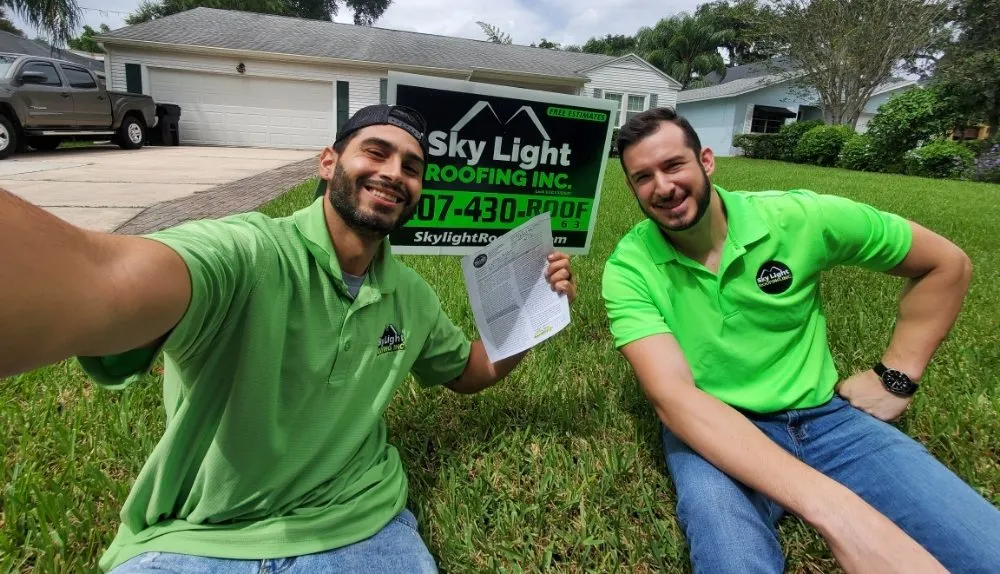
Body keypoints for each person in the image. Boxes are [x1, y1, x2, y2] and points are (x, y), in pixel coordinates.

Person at [0, 103, 577, 573]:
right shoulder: (248, 252)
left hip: (363, 529)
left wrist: (532, 311)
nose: (394, 173)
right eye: (375, 152)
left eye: (412, 166)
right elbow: (100, 278)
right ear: (328, 162)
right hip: (201, 541)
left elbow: (470, 373)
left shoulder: (412, 296)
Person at [601, 107, 1000, 574]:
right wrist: (838, 512)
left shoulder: (797, 217)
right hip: (716, 430)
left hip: (830, 420)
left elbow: (946, 263)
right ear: (631, 188)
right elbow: (675, 399)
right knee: (733, 561)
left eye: (673, 165)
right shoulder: (629, 268)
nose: (662, 187)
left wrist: (897, 377)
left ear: (706, 161)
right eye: (643, 177)